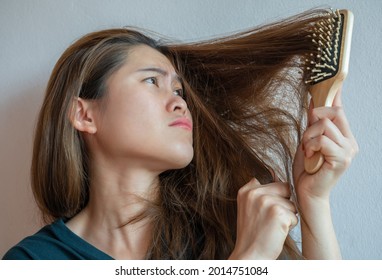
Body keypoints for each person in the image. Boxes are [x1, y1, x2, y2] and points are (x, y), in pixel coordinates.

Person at [3, 8, 358, 260]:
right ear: (84, 114)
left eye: (178, 91)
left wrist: (314, 202)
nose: (179, 103)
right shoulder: (35, 262)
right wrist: (246, 261)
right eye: (152, 81)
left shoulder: (226, 229)